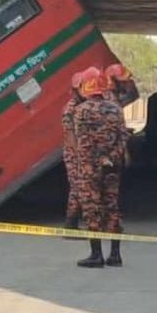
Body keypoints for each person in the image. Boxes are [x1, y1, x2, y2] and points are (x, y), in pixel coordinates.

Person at [73, 67, 130, 268]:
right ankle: (115, 255)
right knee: (112, 208)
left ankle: (96, 255)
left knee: (92, 209)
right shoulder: (116, 109)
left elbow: (84, 143)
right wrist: (110, 158)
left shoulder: (81, 111)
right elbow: (123, 138)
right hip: (113, 167)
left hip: (90, 168)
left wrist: (95, 163)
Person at [62, 70, 87, 231]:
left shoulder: (83, 105)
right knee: (77, 188)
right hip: (74, 154)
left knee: (81, 187)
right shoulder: (70, 109)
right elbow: (70, 136)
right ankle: (70, 224)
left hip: (81, 152)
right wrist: (80, 156)